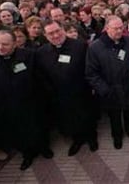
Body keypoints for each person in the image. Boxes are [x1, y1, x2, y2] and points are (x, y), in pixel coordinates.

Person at [37, 20, 98, 156]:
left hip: (81, 92)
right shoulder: (41, 53)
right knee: (69, 120)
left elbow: (89, 68)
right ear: (46, 36)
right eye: (51, 33)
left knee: (87, 116)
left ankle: (92, 138)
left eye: (57, 31)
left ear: (63, 30)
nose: (55, 35)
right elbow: (42, 75)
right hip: (60, 96)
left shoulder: (80, 46)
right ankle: (77, 140)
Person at [86, 16, 129, 149]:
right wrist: (104, 90)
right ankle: (117, 136)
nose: (119, 31)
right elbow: (91, 73)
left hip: (128, 86)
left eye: (121, 28)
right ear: (107, 29)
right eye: (115, 28)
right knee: (115, 116)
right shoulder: (95, 47)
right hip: (110, 89)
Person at [0, 29, 51, 170]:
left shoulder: (29, 56)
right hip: (8, 107)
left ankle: (44, 148)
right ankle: (28, 155)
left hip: (32, 104)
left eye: (5, 44)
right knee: (20, 133)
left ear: (15, 44)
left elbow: (42, 79)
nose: (0, 48)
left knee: (39, 128)